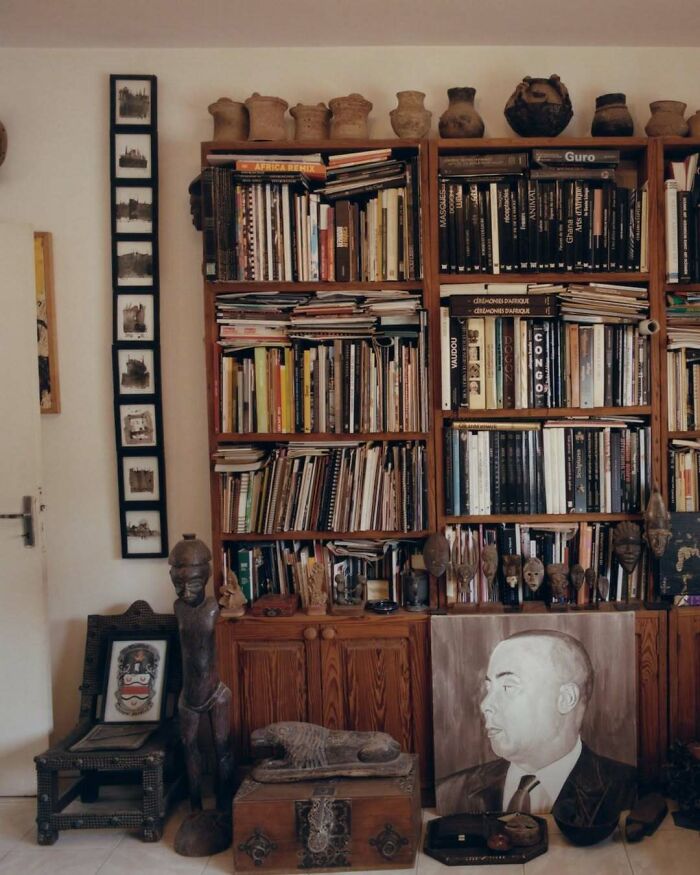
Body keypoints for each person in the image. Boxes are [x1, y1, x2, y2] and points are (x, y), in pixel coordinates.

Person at [437, 629, 636, 822]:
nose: (485, 705)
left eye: (508, 687)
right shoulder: (451, 792)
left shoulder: (628, 789)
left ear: (566, 699)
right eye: (489, 688)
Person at [169, 533, 234, 814]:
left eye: (193, 584)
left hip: (215, 693)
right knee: (189, 747)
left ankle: (224, 803)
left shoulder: (213, 608)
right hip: (188, 696)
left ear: (205, 578)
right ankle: (195, 806)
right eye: (178, 584)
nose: (186, 592)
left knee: (222, 747)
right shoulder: (178, 608)